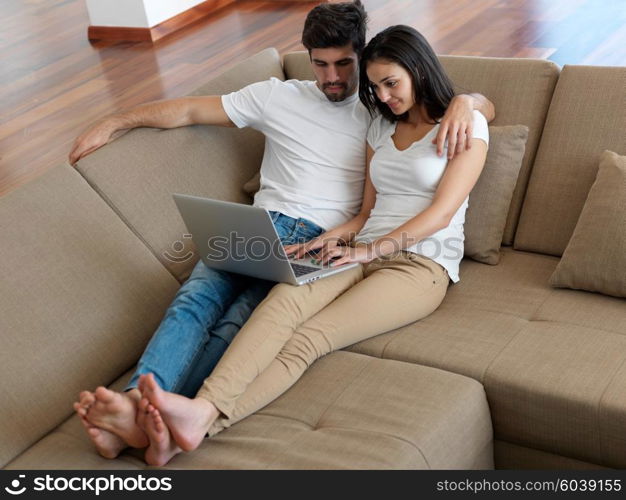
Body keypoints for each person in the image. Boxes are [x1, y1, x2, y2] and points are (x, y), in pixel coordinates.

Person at [72, 1, 495, 462]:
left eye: (386, 81)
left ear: (407, 67)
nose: (381, 93)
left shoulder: (452, 122)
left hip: (417, 262)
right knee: (259, 305)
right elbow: (368, 209)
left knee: (301, 338)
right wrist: (335, 239)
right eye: (376, 85)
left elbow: (439, 214)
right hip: (345, 241)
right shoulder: (377, 123)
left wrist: (466, 100)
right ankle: (165, 412)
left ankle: (197, 421)